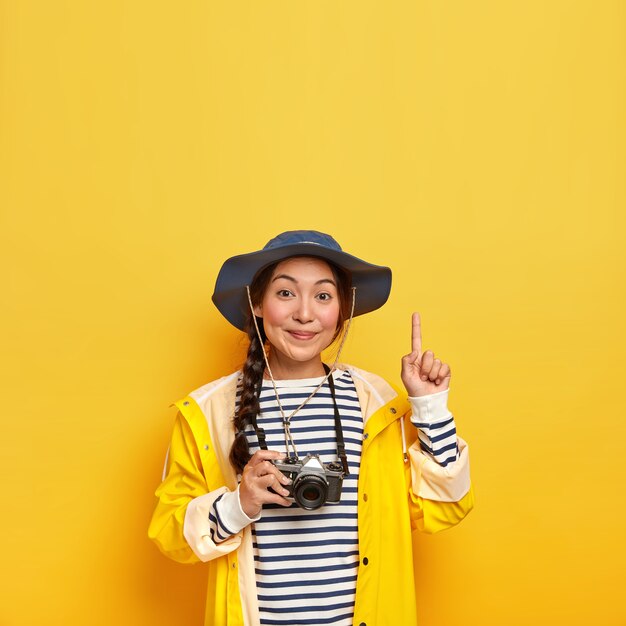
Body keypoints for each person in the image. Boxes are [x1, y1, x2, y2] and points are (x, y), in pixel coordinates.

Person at [148, 230, 474, 626]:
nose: (305, 313)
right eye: (285, 293)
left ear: (343, 310)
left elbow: (440, 510)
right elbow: (170, 533)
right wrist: (240, 503)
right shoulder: (207, 410)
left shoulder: (375, 401)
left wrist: (429, 406)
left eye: (323, 296)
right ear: (257, 302)